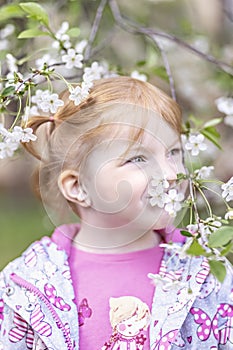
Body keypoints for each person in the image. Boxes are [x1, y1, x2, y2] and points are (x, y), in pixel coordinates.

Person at [0, 76, 232, 350]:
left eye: (173, 152)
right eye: (138, 158)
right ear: (78, 187)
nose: (171, 174)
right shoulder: (27, 286)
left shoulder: (205, 272)